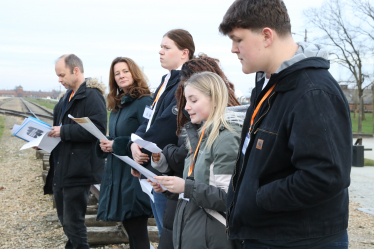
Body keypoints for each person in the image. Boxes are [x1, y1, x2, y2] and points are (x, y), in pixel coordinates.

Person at [219, 1, 352, 248]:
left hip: (297, 241)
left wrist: (258, 198)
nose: (233, 49)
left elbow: (325, 176)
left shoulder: (313, 92)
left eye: (238, 40)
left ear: (267, 36)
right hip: (265, 235)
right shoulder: (269, 85)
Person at [150, 55, 242, 248]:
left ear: (214, 98)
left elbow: (229, 198)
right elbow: (198, 188)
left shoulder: (226, 138)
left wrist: (185, 187)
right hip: (197, 233)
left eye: (193, 100)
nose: (186, 107)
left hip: (212, 237)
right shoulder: (198, 137)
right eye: (185, 100)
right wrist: (170, 189)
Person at [129, 29, 195, 238]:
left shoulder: (186, 81)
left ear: (184, 53)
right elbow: (149, 119)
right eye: (161, 47)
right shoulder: (166, 81)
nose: (160, 52)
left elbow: (167, 125)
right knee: (162, 228)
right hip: (155, 167)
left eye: (166, 48)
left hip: (168, 169)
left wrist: (140, 149)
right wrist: (134, 143)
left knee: (169, 232)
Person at [44, 54, 107, 249]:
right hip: (62, 167)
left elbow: (98, 129)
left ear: (76, 71)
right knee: (66, 222)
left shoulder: (92, 95)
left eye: (62, 75)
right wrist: (44, 141)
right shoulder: (65, 98)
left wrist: (64, 131)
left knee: (73, 223)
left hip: (78, 169)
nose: (59, 79)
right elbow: (59, 131)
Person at [95, 57, 153, 249]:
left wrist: (116, 144)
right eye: (117, 73)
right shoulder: (118, 104)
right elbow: (117, 135)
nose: (121, 76)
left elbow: (149, 136)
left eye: (125, 71)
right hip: (118, 172)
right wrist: (105, 144)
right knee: (132, 230)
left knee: (138, 229)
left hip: (134, 173)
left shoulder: (144, 101)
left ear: (134, 73)